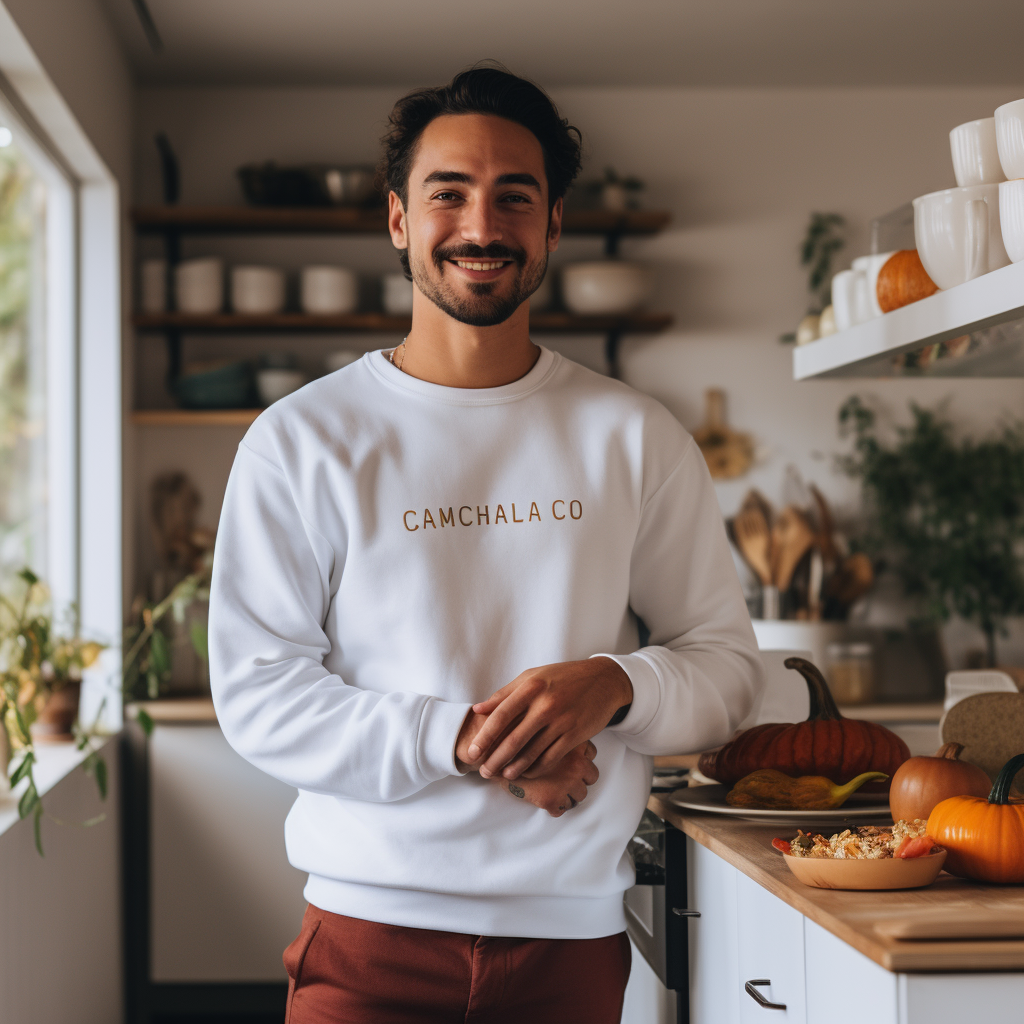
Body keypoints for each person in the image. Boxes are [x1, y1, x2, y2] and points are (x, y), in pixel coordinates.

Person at [209, 65, 762, 1024]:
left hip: (572, 947)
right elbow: (258, 694)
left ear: (552, 225)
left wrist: (616, 683)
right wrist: (465, 740)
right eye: (448, 193)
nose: (481, 223)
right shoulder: (303, 439)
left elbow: (727, 674)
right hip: (365, 945)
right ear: (397, 220)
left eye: (516, 195)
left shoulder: (634, 437)